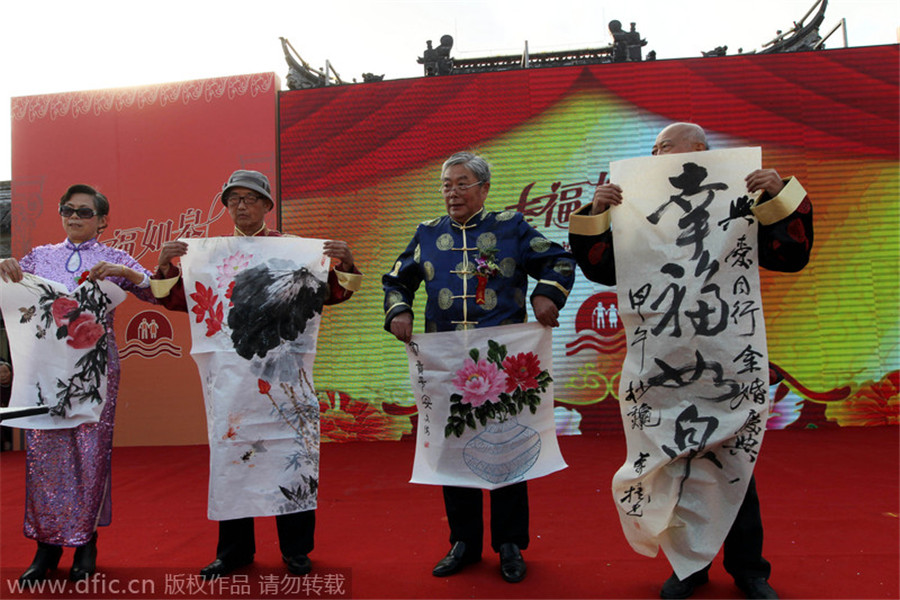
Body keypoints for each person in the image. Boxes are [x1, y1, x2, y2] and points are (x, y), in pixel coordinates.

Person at [568, 122, 813, 600]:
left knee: (731, 460)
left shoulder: (738, 195)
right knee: (671, 462)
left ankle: (749, 569)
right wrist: (597, 213)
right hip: (663, 360)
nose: (655, 155)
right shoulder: (639, 208)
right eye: (654, 149)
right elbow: (601, 269)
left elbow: (790, 256)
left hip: (725, 357)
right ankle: (688, 569)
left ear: (698, 151)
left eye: (663, 148)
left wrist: (780, 196)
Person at [152, 169, 361, 579]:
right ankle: (234, 552)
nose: (241, 206)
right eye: (233, 199)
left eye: (250, 198)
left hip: (284, 378)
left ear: (267, 205)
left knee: (292, 457)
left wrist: (347, 263)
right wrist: (166, 267)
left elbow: (332, 295)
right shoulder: (209, 253)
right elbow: (179, 302)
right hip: (231, 380)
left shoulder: (294, 250)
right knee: (233, 458)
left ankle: (296, 550)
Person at [382, 151, 576, 583]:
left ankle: (509, 543)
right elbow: (396, 278)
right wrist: (398, 310)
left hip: (502, 361)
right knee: (455, 447)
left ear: (484, 188)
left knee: (507, 445)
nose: (452, 192)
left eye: (462, 183)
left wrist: (547, 294)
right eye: (447, 184)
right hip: (446, 361)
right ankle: (464, 542)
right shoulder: (428, 234)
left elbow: (559, 259)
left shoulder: (511, 227)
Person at [0, 184, 157, 583]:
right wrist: (7, 268)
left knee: (90, 454)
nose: (74, 217)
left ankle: (84, 544)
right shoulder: (40, 257)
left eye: (84, 212)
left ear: (102, 220)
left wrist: (126, 273)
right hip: (44, 373)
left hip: (95, 372)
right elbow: (15, 295)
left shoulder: (114, 257)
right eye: (67, 210)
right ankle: (46, 549)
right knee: (44, 458)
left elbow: (158, 291)